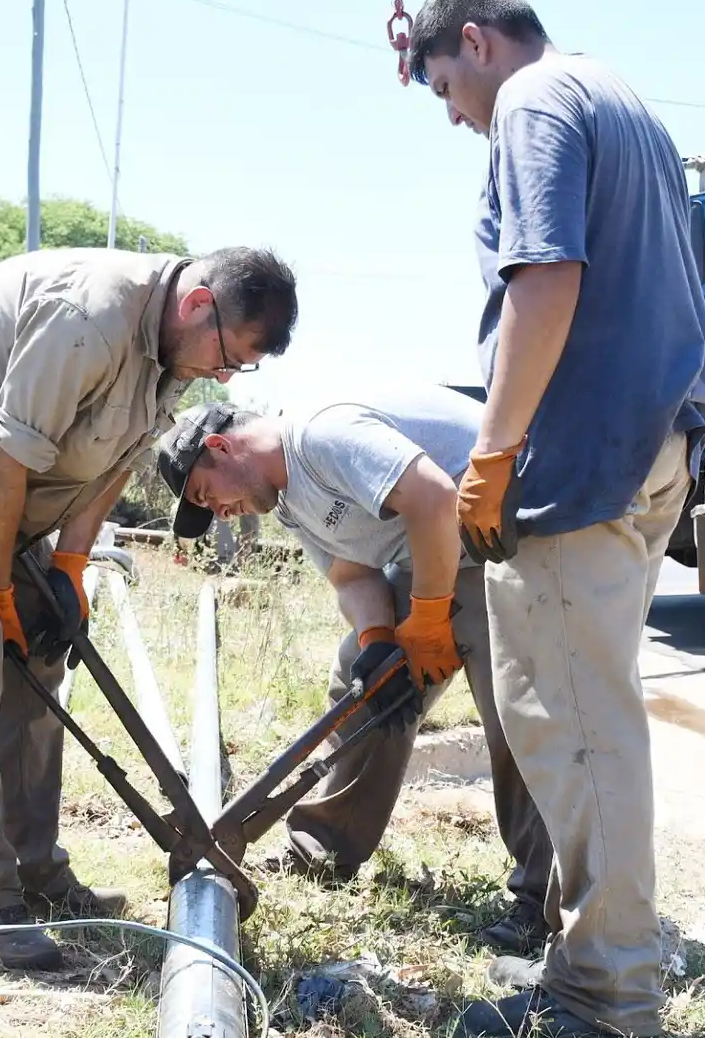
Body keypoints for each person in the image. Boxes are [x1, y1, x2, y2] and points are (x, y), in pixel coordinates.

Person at [0, 245, 298, 972]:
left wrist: (69, 571)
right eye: (226, 354)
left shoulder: (170, 357)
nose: (223, 375)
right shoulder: (90, 315)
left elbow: (109, 471)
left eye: (240, 369)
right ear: (198, 305)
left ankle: (34, 870)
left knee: (43, 652)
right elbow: (3, 465)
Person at [406, 0, 705, 1038]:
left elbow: (545, 276)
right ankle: (599, 961)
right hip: (651, 445)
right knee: (601, 720)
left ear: (480, 43)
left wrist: (492, 456)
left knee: (576, 730)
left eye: (446, 85)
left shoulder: (535, 103)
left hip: (584, 458)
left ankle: (607, 995)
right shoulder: (618, 94)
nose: (455, 115)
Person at [152, 385, 555, 957]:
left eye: (205, 493)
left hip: (512, 537)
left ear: (220, 446)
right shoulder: (287, 503)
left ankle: (544, 900)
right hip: (445, 552)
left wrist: (433, 618)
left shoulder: (319, 435)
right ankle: (325, 846)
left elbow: (437, 499)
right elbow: (352, 575)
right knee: (364, 681)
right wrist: (378, 643)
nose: (219, 512)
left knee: (515, 712)